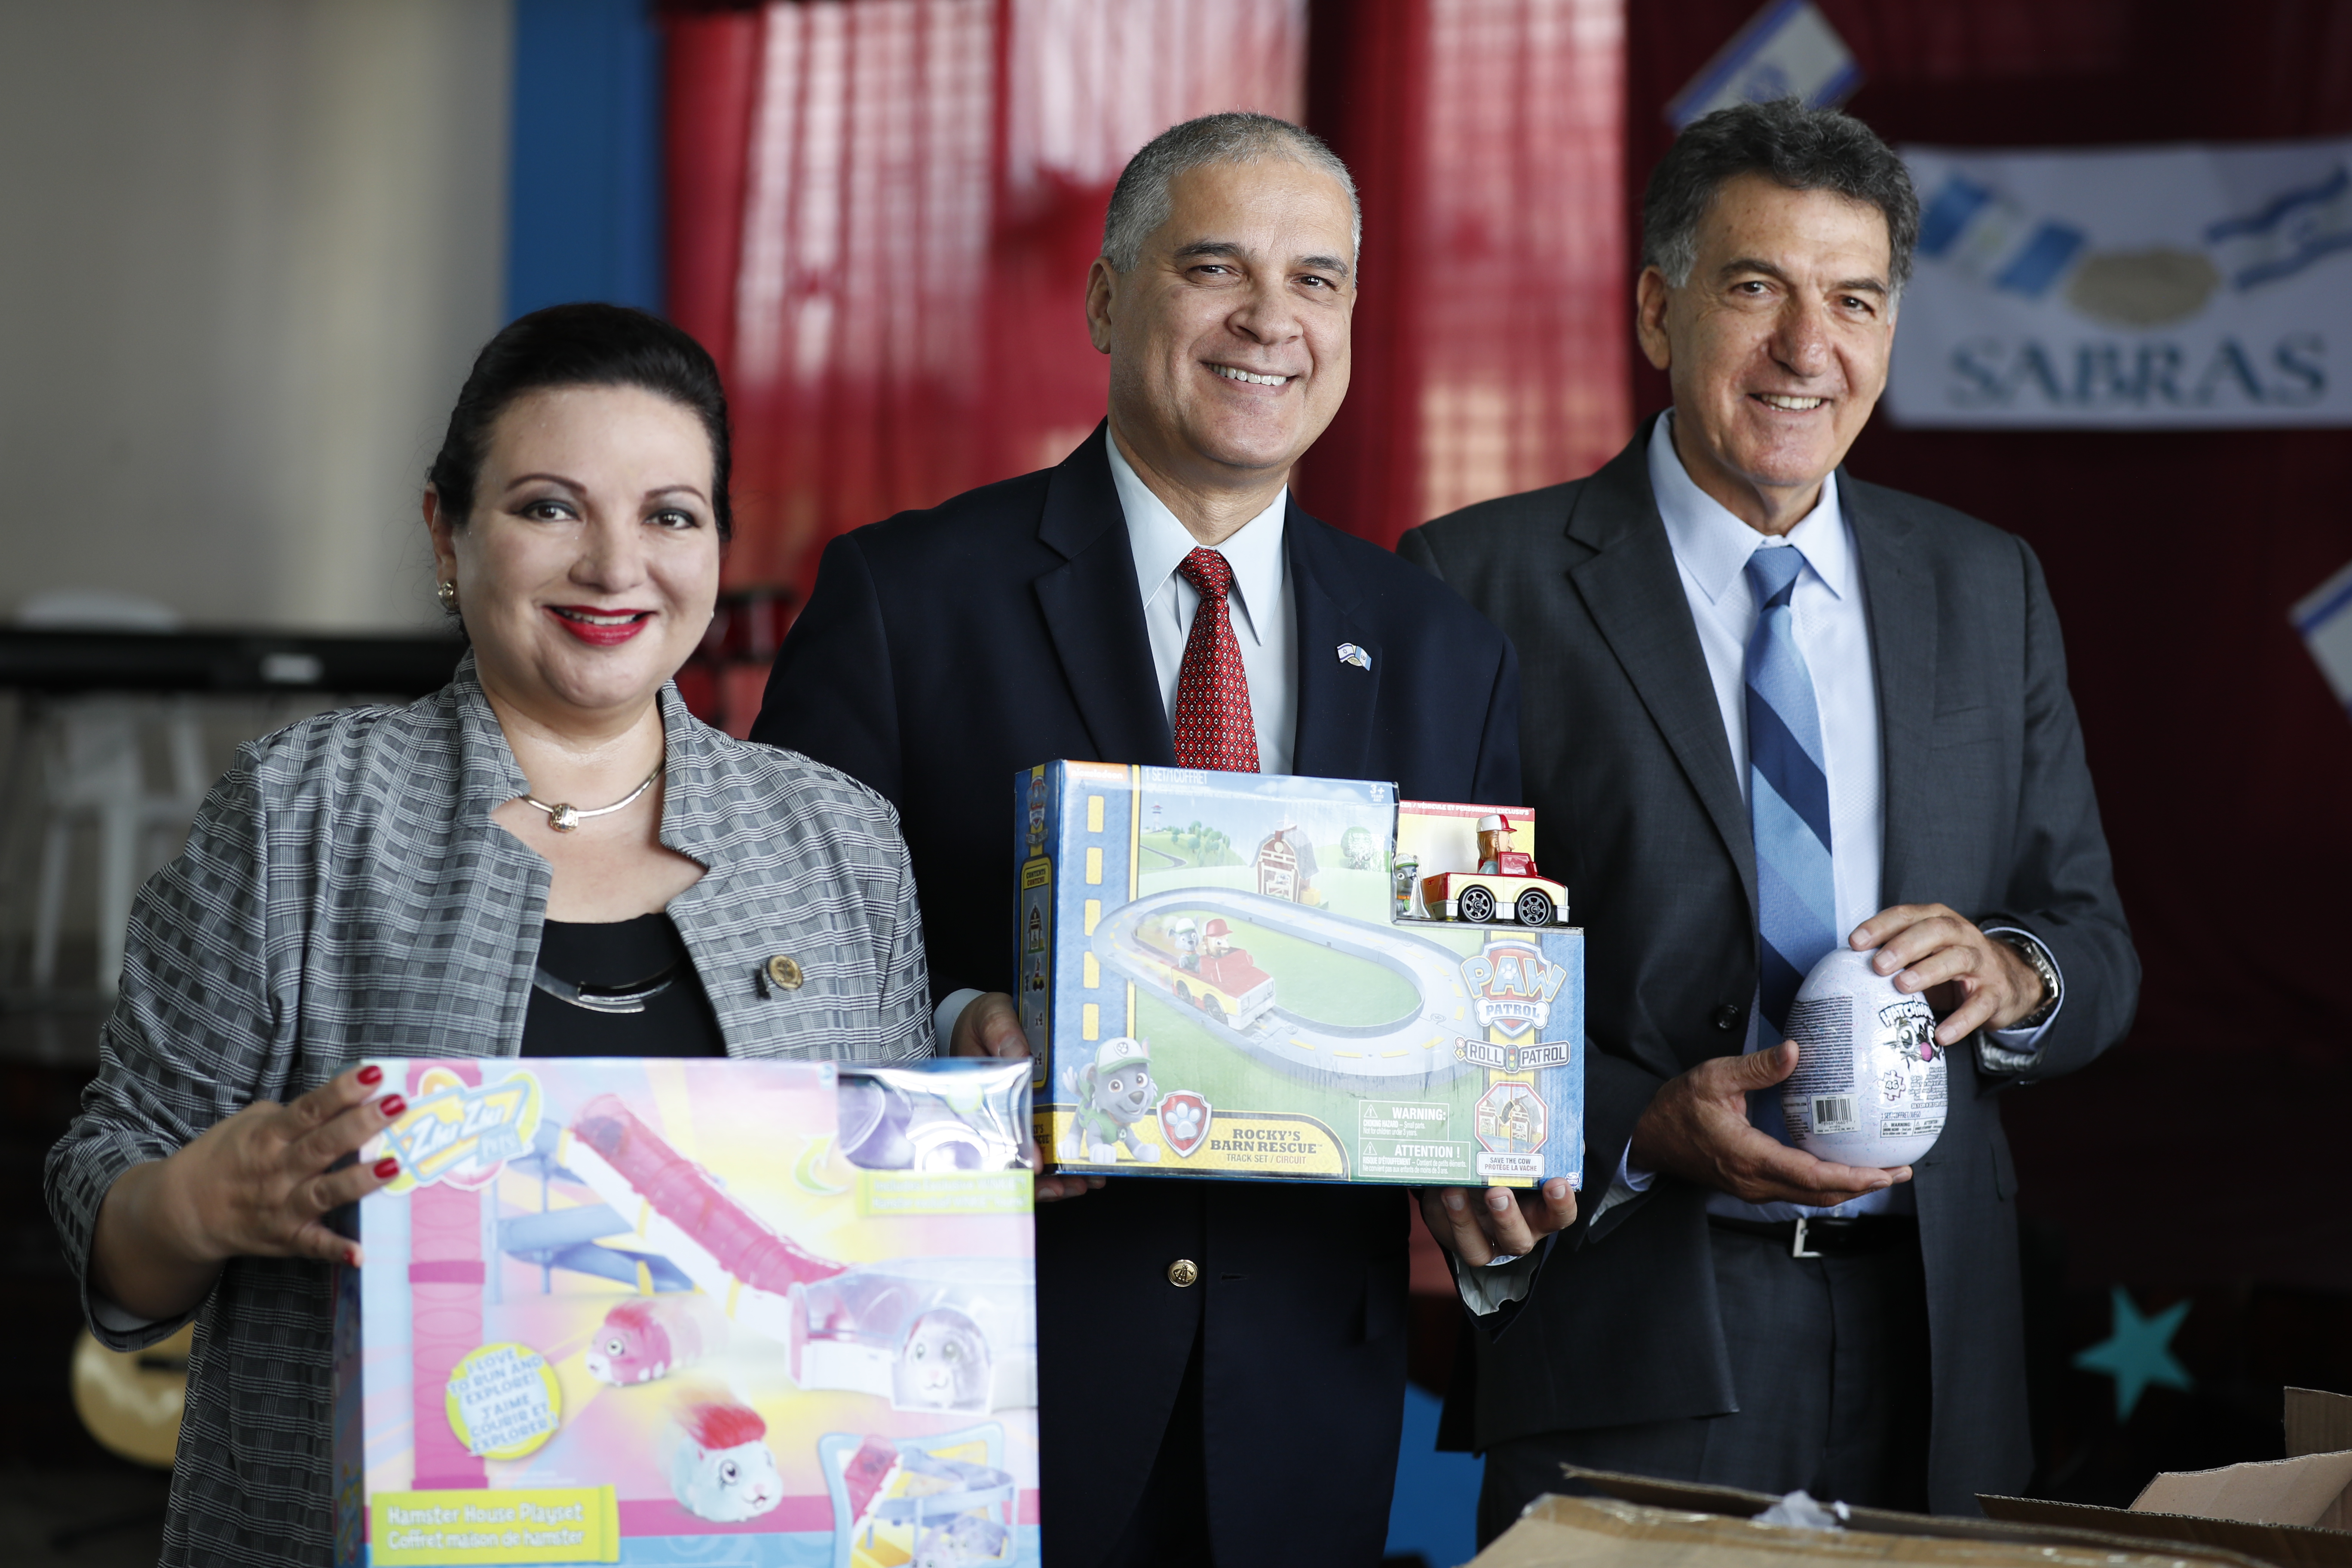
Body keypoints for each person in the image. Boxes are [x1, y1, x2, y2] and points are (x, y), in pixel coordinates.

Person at [752, 111, 1566, 1567]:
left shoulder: (1444, 649)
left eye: (1317, 281)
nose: (1271, 320)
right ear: (1105, 299)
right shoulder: (905, 599)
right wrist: (951, 1031)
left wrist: (1488, 1151)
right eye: (1215, 268)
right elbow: (769, 974)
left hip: (1304, 1414)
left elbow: (1464, 1006)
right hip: (979, 1374)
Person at [44, 303, 931, 1566]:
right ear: (446, 535)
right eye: (551, 508)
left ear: (717, 547)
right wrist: (194, 1203)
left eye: (671, 516)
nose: (615, 567)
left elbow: (878, 1227)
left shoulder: (838, 838)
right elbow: (108, 1190)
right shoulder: (306, 810)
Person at [1399, 99, 2138, 1529]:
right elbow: (1430, 982)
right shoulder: (1477, 585)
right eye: (1757, 289)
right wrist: (1641, 1123)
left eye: (1853, 300)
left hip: (1939, 1343)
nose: (1809, 348)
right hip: (1633, 1322)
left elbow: (2093, 941)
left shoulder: (1987, 586)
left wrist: (2015, 972)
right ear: (1657, 312)